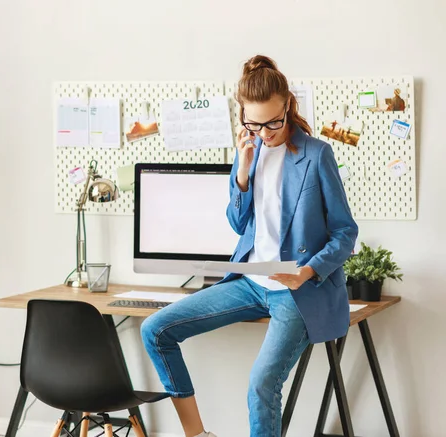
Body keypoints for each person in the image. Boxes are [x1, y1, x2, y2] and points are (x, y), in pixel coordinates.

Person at [140, 55, 358, 437]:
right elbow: (238, 223)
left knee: (261, 386)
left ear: (288, 106)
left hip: (297, 289)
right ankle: (197, 434)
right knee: (156, 329)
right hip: (250, 281)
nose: (265, 131)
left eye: (274, 121)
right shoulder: (249, 151)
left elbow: (345, 233)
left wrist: (307, 272)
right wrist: (242, 170)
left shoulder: (317, 155)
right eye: (254, 123)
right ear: (242, 115)